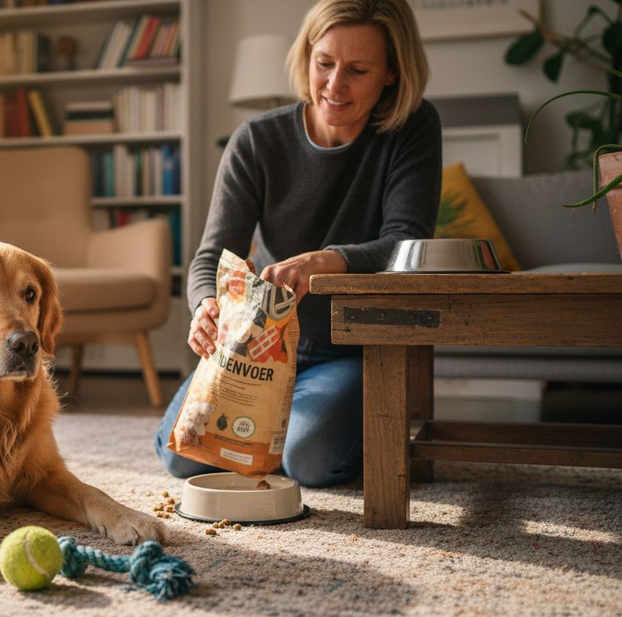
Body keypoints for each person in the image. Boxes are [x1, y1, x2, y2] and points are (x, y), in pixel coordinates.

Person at [154, 0, 441, 487]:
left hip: (351, 347)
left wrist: (331, 260)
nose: (334, 85)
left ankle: (352, 424)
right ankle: (285, 428)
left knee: (311, 461)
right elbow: (211, 256)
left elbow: (407, 245)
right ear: (306, 56)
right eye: (324, 63)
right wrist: (205, 305)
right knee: (181, 456)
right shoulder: (255, 140)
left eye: (357, 70)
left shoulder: (412, 128)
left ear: (392, 72)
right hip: (253, 349)